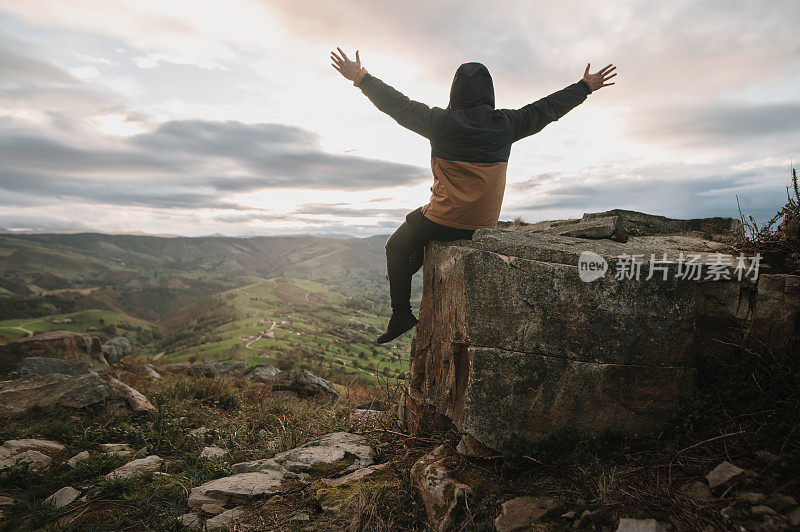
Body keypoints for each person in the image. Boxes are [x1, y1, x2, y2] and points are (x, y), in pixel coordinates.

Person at [330, 48, 616, 343]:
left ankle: (400, 312)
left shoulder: (439, 123)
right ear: (489, 92)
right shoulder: (507, 124)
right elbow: (547, 109)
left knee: (397, 248)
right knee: (422, 226)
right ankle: (400, 276)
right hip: (483, 223)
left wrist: (361, 78)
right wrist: (584, 88)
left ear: (455, 91)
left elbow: (397, 105)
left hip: (444, 217)